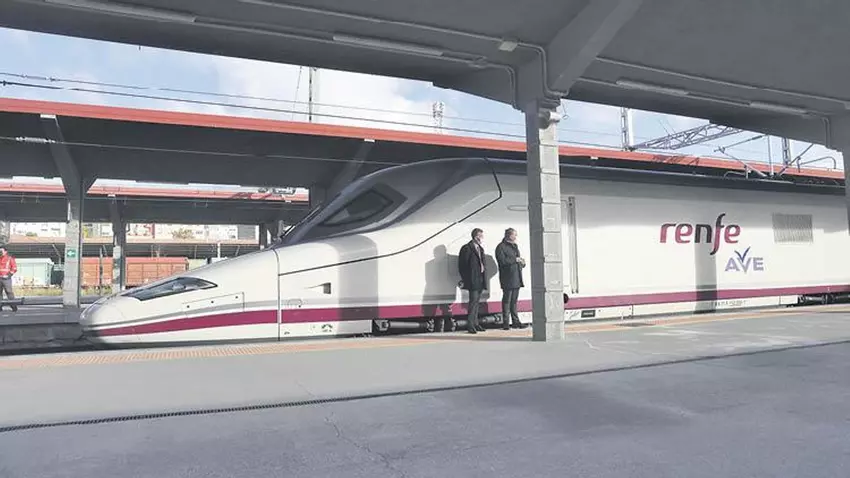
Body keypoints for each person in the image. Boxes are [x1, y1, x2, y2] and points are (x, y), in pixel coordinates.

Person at [495, 228, 528, 330]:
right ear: (509, 235)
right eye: (514, 235)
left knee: (514, 301)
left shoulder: (514, 246)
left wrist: (522, 263)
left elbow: (517, 260)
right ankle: (505, 323)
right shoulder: (501, 247)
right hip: (507, 278)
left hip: (516, 277)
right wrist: (515, 259)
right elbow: (502, 261)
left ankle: (515, 322)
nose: (515, 237)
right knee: (507, 301)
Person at [457, 228, 487, 334]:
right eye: (481, 236)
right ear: (476, 237)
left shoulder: (480, 249)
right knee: (473, 303)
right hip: (472, 279)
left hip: (480, 279)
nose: (482, 238)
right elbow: (463, 265)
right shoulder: (467, 248)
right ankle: (470, 325)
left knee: (477, 303)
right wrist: (466, 279)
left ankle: (476, 323)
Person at [0, 246, 17, 312]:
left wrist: (8, 275)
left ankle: (13, 307)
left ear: (5, 252)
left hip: (6, 279)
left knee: (9, 292)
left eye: (1, 251)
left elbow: (14, 268)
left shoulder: (10, 259)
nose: (0, 252)